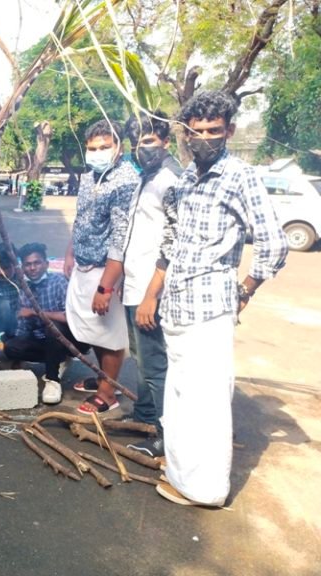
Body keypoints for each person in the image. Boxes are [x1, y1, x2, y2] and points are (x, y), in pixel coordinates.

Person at [140, 91, 288, 507]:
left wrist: (246, 289)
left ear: (230, 131)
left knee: (206, 403)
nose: (205, 138)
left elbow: (274, 244)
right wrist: (154, 293)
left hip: (210, 309)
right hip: (178, 308)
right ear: (186, 134)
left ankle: (204, 490)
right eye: (197, 131)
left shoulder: (240, 176)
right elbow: (173, 240)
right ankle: (182, 473)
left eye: (214, 131)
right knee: (182, 398)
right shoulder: (187, 177)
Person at [115, 111, 182, 458]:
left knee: (155, 364)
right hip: (135, 284)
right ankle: (144, 415)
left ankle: (164, 434)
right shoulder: (148, 177)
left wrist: (151, 296)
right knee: (141, 357)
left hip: (151, 290)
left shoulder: (171, 180)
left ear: (165, 141)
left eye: (148, 141)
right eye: (136, 142)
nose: (141, 148)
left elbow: (173, 243)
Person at [63, 119, 139, 415]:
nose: (97, 153)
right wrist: (70, 253)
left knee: (109, 335)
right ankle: (104, 378)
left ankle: (107, 394)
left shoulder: (125, 181)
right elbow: (81, 219)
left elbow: (121, 239)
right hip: (84, 264)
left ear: (119, 147)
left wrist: (106, 287)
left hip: (106, 269)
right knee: (93, 330)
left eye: (105, 147)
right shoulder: (89, 177)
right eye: (92, 148)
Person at [5, 243, 90, 403]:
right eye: (28, 264)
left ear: (46, 264)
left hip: (66, 338)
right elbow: (23, 327)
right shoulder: (21, 288)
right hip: (42, 339)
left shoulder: (59, 282)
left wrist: (35, 312)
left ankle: (52, 380)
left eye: (37, 263)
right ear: (22, 268)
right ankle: (58, 360)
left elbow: (70, 317)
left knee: (53, 327)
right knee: (11, 348)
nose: (32, 268)